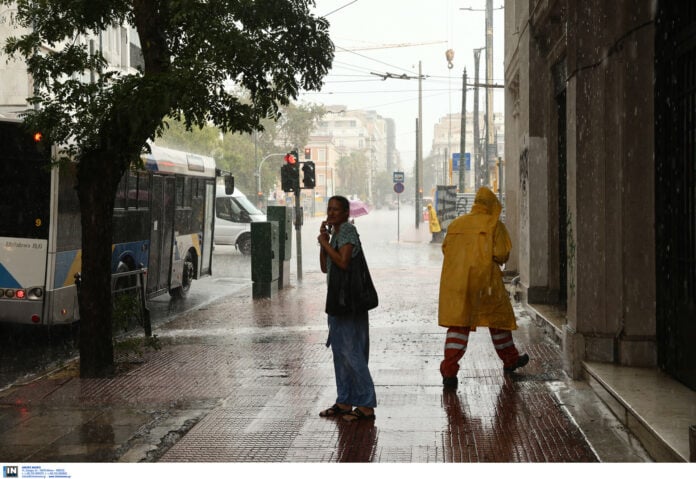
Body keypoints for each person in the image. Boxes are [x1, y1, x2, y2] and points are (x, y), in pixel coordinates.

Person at [438, 187, 529, 388]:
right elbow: (501, 254)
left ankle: (449, 373)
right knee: (498, 320)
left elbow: (446, 249)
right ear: (491, 206)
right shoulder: (494, 224)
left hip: (458, 282)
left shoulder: (455, 224)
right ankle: (510, 360)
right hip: (486, 282)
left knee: (458, 325)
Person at [317, 195, 377, 422]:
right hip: (337, 302)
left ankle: (366, 404)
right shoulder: (335, 235)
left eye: (336, 210)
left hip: (349, 303)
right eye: (329, 209)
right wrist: (323, 242)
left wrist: (325, 243)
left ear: (345, 213)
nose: (331, 213)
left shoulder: (348, 232)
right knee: (340, 354)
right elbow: (326, 267)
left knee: (352, 353)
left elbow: (343, 262)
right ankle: (344, 400)